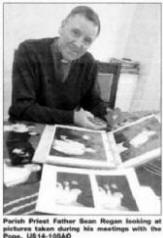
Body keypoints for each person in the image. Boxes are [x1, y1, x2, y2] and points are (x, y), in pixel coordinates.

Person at [9, 6, 110, 130]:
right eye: (75, 33)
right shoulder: (28, 51)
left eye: (87, 40)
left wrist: (111, 117)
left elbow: (93, 103)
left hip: (63, 133)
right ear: (62, 26)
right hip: (24, 129)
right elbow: (21, 108)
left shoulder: (89, 62)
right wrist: (72, 117)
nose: (78, 44)